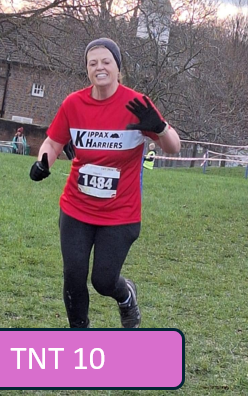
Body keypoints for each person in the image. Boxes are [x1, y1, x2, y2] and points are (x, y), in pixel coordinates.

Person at [30, 37, 181, 329]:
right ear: (87, 69)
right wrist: (43, 162)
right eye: (93, 63)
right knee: (73, 275)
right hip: (76, 207)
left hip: (120, 212)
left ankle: (126, 296)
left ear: (117, 68)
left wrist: (160, 128)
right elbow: (53, 141)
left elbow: (173, 147)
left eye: (106, 62)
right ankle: (79, 334)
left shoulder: (136, 104)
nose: (99, 67)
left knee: (103, 280)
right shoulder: (74, 104)